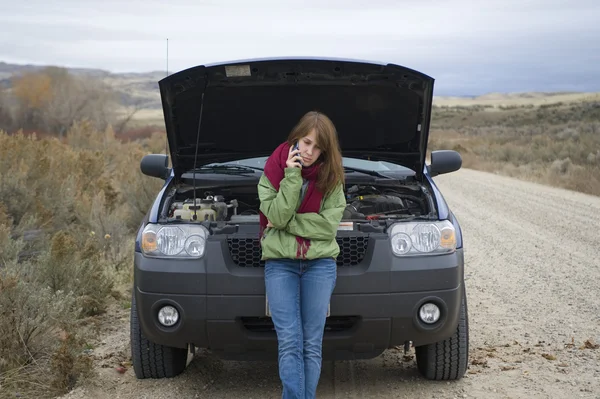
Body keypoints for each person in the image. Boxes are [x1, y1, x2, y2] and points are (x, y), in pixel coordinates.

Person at [257, 111, 346, 399]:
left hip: (319, 265)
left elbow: (327, 226)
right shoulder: (272, 173)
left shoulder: (332, 178)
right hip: (280, 264)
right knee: (290, 342)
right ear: (296, 138)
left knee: (311, 344)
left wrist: (287, 224)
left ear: (325, 150)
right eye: (305, 142)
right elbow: (278, 212)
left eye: (317, 147)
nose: (309, 151)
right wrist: (292, 175)